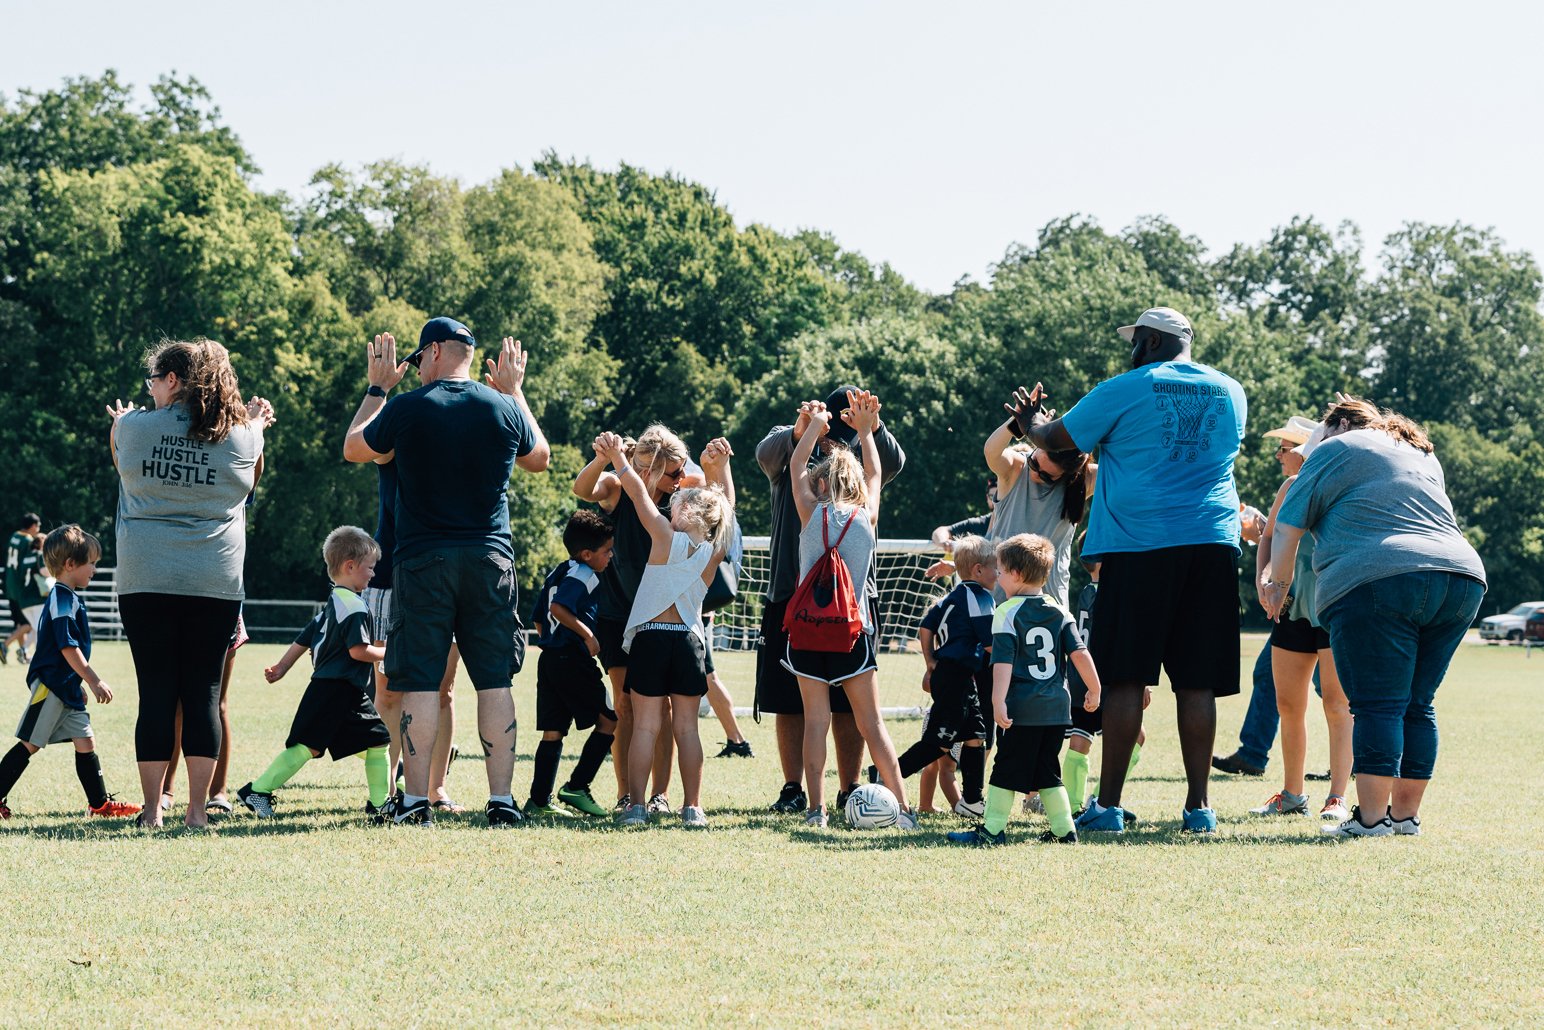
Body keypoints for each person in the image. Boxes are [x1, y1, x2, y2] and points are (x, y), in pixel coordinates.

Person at [1019, 306, 1247, 835]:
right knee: (1197, 683)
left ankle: (1109, 806)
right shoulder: (1232, 391)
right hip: (1212, 542)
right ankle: (1199, 808)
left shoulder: (1125, 386)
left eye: (1134, 340)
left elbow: (1058, 441)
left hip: (1139, 545)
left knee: (1123, 676)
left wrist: (1029, 422)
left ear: (1147, 342)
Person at [344, 319, 549, 827]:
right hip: (489, 558)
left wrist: (377, 389)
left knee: (420, 681)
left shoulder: (407, 408)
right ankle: (501, 800)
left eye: (417, 360)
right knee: (494, 681)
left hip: (422, 561)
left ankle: (415, 802)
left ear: (433, 351)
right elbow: (540, 459)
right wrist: (517, 392)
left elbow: (353, 448)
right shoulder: (501, 406)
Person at [1264, 398, 1485, 838]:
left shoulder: (1332, 449)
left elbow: (1286, 531)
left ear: (1339, 424)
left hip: (1377, 578)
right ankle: (1404, 820)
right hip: (1461, 577)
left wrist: (1276, 589)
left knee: (1377, 705)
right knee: (1418, 704)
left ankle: (1369, 820)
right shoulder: (1420, 450)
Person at [109, 338, 270, 829]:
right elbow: (251, 481)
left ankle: (154, 811)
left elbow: (125, 470)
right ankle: (198, 811)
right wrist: (258, 425)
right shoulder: (243, 436)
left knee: (155, 692)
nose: (151, 390)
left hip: (145, 577)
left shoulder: (133, 428)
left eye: (154, 380)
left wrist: (123, 421)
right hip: (214, 579)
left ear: (173, 380)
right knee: (203, 693)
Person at [756, 384, 905, 815]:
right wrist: (864, 430)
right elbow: (876, 473)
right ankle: (903, 808)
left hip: (805, 629)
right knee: (874, 724)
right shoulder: (866, 516)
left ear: (819, 483)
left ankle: (817, 808)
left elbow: (798, 463)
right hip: (852, 628)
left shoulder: (809, 510)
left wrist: (820, 429)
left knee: (815, 722)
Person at [573, 427, 733, 812]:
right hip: (655, 625)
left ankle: (649, 800)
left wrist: (619, 459)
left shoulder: (669, 519)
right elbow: (724, 504)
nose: (682, 483)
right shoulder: (710, 545)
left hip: (654, 631)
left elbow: (646, 495)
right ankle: (661, 800)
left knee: (652, 718)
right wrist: (608, 458)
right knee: (658, 717)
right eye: (674, 474)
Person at [947, 534, 1099, 846]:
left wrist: (997, 701)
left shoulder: (1007, 611)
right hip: (1057, 710)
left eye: (1000, 570)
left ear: (1016, 575)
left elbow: (1002, 663)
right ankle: (1064, 830)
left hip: (1024, 708)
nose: (998, 576)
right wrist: (1094, 689)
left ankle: (991, 831)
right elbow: (1080, 653)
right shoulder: (1059, 610)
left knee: (1005, 769)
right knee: (1047, 772)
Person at [238, 527, 392, 820]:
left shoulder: (335, 601)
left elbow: (305, 636)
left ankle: (380, 804)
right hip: (335, 690)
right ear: (350, 566)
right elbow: (358, 651)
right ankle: (257, 791)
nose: (373, 574)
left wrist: (283, 667)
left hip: (342, 690)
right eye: (370, 568)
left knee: (377, 742)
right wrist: (391, 653)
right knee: (307, 747)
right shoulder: (354, 606)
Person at [0, 525, 140, 820]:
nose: (95, 569)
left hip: (66, 686)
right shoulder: (61, 598)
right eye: (91, 563)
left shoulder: (71, 596)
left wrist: (76, 683)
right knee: (31, 743)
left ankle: (99, 804)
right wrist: (93, 679)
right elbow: (66, 647)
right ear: (70, 565)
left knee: (85, 740)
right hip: (51, 685)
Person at [1250, 427, 1353, 822]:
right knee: (1288, 704)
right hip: (1291, 607)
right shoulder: (1292, 485)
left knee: (1337, 704)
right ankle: (1292, 794)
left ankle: (1338, 798)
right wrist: (1264, 579)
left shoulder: (1347, 483)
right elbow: (1269, 537)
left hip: (1332, 606)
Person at [1214, 415, 1318, 778]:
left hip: (1315, 603)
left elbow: (1301, 547)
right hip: (1296, 603)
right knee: (1270, 674)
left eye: (1284, 448)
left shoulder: (1308, 486)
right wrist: (1264, 538)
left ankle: (1354, 761)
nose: (1278, 454)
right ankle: (1254, 753)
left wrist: (1264, 539)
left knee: (1338, 693)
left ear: (1304, 454)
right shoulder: (1293, 487)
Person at [364, 457, 464, 817]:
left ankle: (436, 788)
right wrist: (378, 394)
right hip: (390, 575)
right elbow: (358, 441)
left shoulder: (458, 429)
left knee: (442, 691)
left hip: (446, 574)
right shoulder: (399, 428)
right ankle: (384, 791)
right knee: (388, 691)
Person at [892, 534, 997, 818]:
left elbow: (926, 626)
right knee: (939, 742)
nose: (998, 574)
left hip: (959, 676)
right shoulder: (981, 598)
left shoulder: (952, 597)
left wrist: (930, 661)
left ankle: (973, 802)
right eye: (995, 568)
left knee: (976, 736)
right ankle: (886, 775)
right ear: (978, 570)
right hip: (955, 677)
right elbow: (990, 644)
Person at [525, 510, 618, 818]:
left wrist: (554, 642)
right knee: (609, 720)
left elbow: (540, 618)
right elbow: (557, 607)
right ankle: (577, 786)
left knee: (553, 731)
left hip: (549, 658)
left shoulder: (559, 571)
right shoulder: (584, 574)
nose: (611, 556)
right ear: (587, 554)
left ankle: (538, 801)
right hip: (571, 659)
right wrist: (587, 636)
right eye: (606, 551)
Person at [1061, 547, 1149, 819]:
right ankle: (1091, 803)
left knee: (1082, 737)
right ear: (1102, 561)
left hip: (1081, 677)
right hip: (1102, 679)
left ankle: (1089, 802)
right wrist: (1139, 682)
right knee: (1095, 738)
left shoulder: (1088, 591)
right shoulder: (1111, 596)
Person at [985, 398, 1095, 606]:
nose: (1035, 473)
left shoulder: (1081, 481)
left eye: (1046, 476)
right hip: (1001, 599)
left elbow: (1125, 469)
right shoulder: (1016, 468)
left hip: (1051, 604)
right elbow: (991, 452)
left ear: (1067, 475)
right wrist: (1018, 420)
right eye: (1034, 462)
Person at [2, 513, 42, 665]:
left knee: (19, 623)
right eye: (38, 526)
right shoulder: (28, 540)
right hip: (20, 586)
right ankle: (5, 644)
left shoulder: (14, 536)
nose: (38, 530)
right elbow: (28, 563)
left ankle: (23, 654)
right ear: (32, 526)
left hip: (9, 584)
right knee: (29, 623)